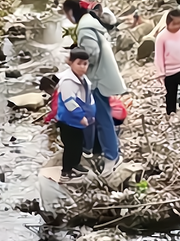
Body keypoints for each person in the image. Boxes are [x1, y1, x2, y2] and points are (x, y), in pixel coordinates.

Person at [63, 0, 126, 176]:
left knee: (102, 119)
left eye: (67, 13)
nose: (67, 17)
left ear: (73, 11)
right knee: (98, 117)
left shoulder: (84, 27)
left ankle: (112, 157)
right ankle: (100, 151)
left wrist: (76, 63)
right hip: (100, 76)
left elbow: (92, 53)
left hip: (97, 79)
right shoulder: (91, 22)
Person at [56, 48, 96, 182]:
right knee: (70, 146)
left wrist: (91, 113)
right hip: (68, 120)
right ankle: (65, 172)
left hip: (80, 119)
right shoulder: (67, 81)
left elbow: (88, 98)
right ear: (70, 62)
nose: (82, 67)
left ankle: (75, 165)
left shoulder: (83, 79)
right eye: (79, 63)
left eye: (85, 64)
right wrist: (81, 117)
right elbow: (69, 102)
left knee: (78, 144)